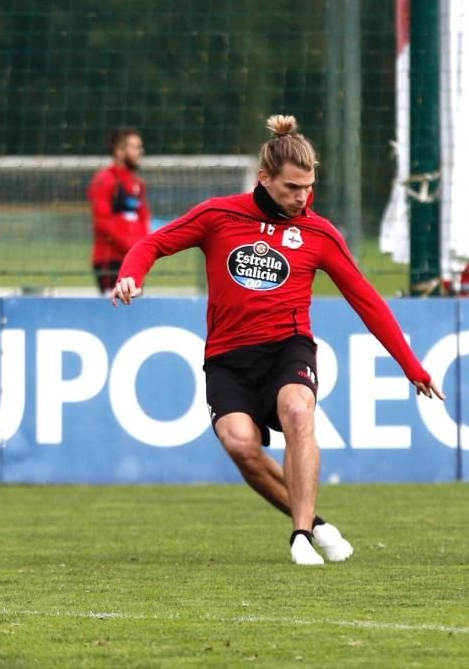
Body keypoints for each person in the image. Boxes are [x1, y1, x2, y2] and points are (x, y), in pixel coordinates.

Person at [112, 115, 445, 565]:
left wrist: (413, 367)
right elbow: (152, 244)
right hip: (228, 357)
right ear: (264, 178)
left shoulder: (320, 233)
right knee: (240, 444)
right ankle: (317, 523)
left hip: (288, 348)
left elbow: (367, 301)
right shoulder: (218, 216)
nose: (302, 197)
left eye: (308, 187)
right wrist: (131, 276)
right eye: (292, 188)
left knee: (296, 409)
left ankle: (301, 535)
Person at [88, 127, 151, 294]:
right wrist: (130, 245)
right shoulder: (105, 180)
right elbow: (102, 222)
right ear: (119, 151)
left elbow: (144, 218)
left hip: (134, 261)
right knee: (116, 309)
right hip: (111, 260)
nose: (140, 151)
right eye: (135, 147)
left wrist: (144, 249)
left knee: (135, 310)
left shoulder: (138, 183)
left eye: (140, 147)